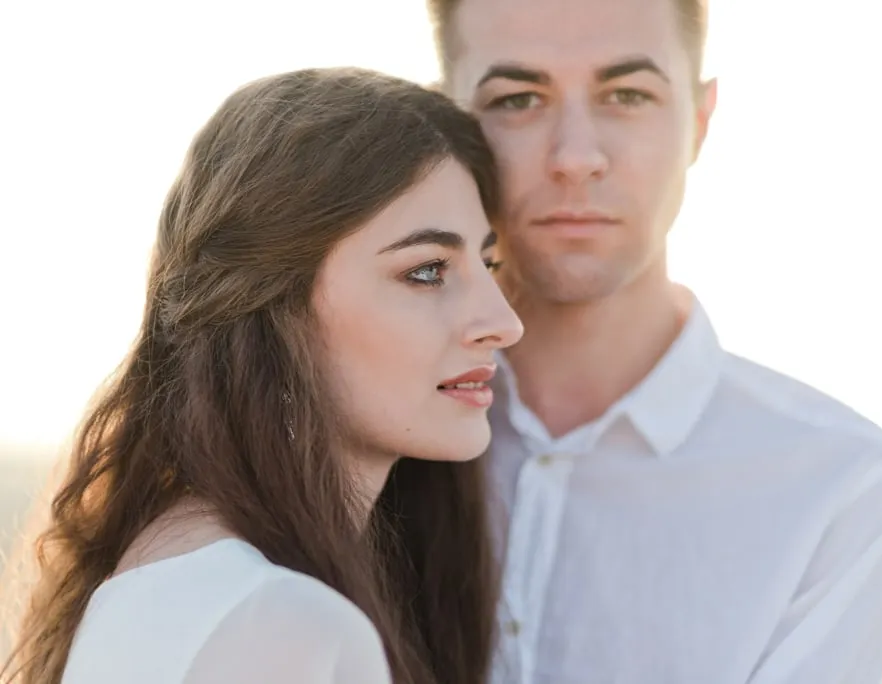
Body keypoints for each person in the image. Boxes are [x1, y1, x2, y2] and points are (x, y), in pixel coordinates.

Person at [426, 0, 882, 682]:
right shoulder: (353, 429)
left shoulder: (846, 488)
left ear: (699, 120)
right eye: (517, 99)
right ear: (447, 128)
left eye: (627, 94)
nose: (576, 158)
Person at [0, 67, 523, 684]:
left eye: (489, 264)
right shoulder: (282, 627)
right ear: (272, 304)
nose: (503, 323)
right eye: (427, 271)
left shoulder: (175, 570)